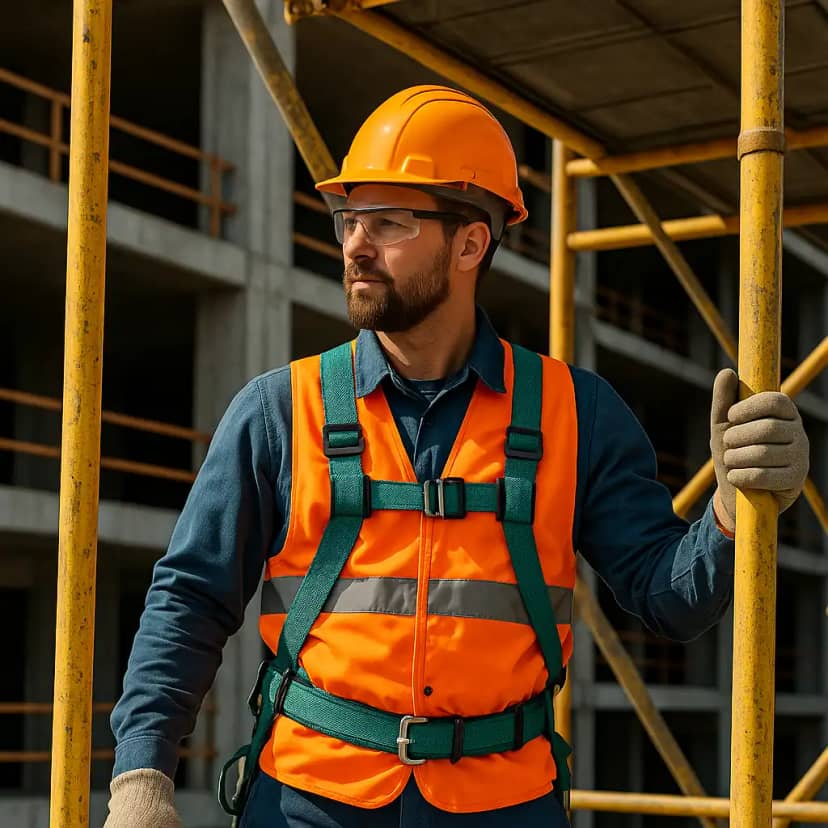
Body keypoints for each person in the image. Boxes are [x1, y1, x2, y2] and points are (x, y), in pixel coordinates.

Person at [104, 86, 810, 828]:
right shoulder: (281, 410)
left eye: (389, 222)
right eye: (351, 219)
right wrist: (140, 775)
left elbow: (667, 599)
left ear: (471, 242)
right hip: (309, 803)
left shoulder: (577, 412)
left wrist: (735, 513)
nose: (354, 245)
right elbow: (189, 598)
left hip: (505, 806)